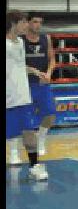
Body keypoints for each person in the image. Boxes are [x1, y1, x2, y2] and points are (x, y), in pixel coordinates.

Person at [6, 10, 49, 181]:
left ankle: (34, 166)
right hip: (8, 97)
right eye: (23, 22)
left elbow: (17, 65)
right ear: (13, 24)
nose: (26, 25)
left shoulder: (20, 43)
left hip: (23, 96)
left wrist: (33, 70)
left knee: (29, 132)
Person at [21, 12, 57, 158]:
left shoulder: (45, 38)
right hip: (24, 84)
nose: (38, 25)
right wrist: (33, 72)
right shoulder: (19, 40)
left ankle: (41, 140)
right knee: (23, 118)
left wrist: (48, 73)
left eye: (40, 22)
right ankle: (15, 151)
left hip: (43, 84)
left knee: (50, 114)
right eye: (35, 22)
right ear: (28, 22)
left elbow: (52, 60)